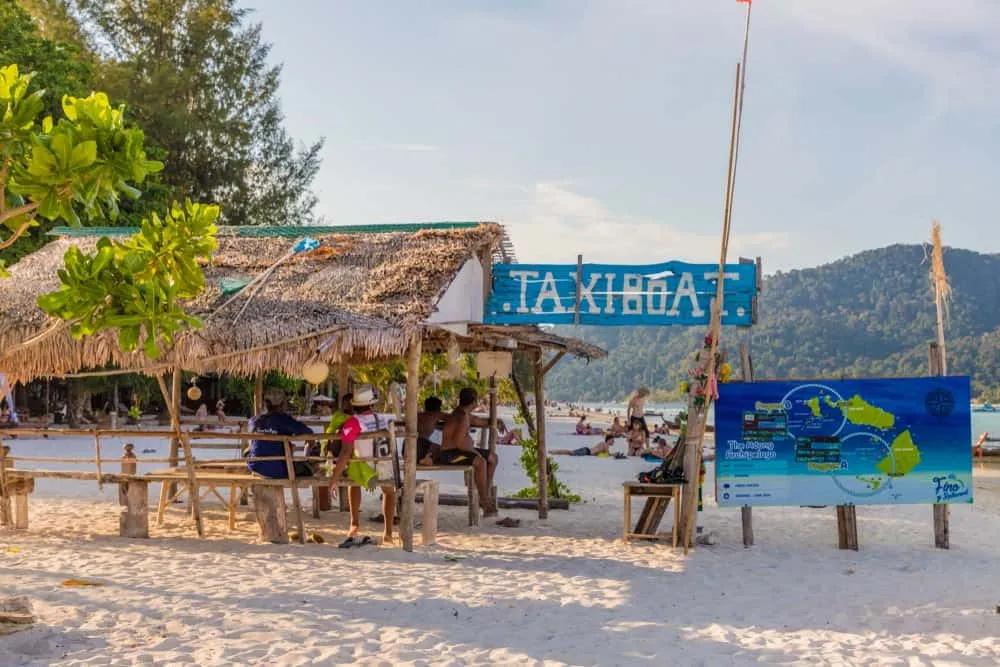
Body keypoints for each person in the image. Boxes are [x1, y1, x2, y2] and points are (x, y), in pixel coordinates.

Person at [328, 386, 396, 546]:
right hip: (384, 463)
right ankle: (388, 533)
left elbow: (345, 452)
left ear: (354, 406)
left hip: (364, 465)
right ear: (372, 405)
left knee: (353, 480)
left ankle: (354, 523)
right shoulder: (384, 419)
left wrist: (334, 478)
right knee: (389, 492)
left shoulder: (352, 423)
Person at [435, 388, 501, 516]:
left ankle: (485, 493)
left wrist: (496, 422)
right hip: (449, 454)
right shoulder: (461, 417)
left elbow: (479, 421)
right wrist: (475, 453)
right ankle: (485, 501)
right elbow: (459, 442)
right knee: (480, 461)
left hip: (460, 451)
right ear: (474, 402)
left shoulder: (464, 414)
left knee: (493, 458)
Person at [247, 388, 316, 478]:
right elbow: (309, 433)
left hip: (255, 467)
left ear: (266, 404)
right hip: (278, 470)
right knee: (312, 468)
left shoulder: (253, 421)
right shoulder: (284, 419)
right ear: (282, 404)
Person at [416, 396, 446, 465]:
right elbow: (453, 418)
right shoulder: (436, 415)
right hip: (422, 443)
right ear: (438, 408)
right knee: (440, 447)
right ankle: (427, 459)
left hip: (410, 443)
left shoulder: (418, 415)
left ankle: (424, 459)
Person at [324, 393, 354, 460]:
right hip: (329, 437)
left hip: (340, 439)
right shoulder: (337, 414)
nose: (346, 406)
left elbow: (344, 428)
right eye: (345, 403)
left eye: (349, 403)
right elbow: (331, 426)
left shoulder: (354, 417)